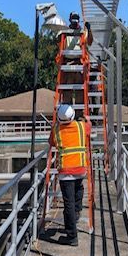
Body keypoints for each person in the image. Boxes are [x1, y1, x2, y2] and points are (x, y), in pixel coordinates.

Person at [51, 103, 91, 246]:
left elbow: (52, 142)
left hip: (66, 171)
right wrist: (86, 119)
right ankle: (77, 212)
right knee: (79, 190)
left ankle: (72, 236)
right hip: (80, 168)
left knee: (68, 202)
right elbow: (89, 128)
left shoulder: (56, 130)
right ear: (73, 115)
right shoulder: (82, 126)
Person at [59, 12, 93, 109]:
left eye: (76, 18)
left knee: (79, 91)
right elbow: (58, 42)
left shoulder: (83, 32)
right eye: (73, 18)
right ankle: (67, 113)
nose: (75, 20)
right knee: (67, 91)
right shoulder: (65, 32)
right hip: (67, 64)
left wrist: (89, 30)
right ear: (70, 19)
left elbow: (90, 42)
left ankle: (79, 115)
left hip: (79, 64)